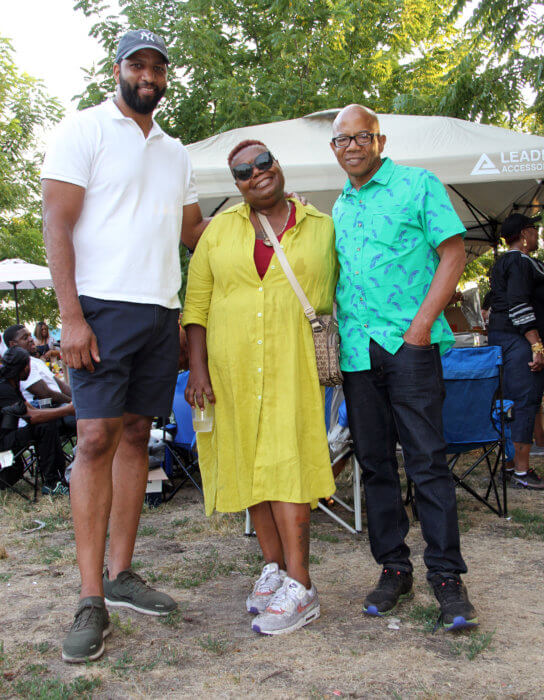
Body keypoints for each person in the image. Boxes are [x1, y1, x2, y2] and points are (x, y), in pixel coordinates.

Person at [41, 28, 208, 663]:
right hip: (99, 309)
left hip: (161, 309)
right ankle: (89, 598)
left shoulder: (176, 151)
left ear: (165, 78)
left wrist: (261, 224)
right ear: (118, 70)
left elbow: (194, 230)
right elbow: (57, 220)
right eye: (138, 65)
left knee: (138, 434)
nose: (149, 76)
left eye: (158, 68)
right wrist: (71, 316)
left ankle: (122, 573)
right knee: (93, 437)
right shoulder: (83, 129)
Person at [330, 104, 477, 631]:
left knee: (427, 463)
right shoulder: (340, 207)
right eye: (341, 140)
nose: (351, 146)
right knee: (373, 465)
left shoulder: (418, 184)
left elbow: (454, 254)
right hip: (356, 352)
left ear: (379, 140)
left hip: (409, 346)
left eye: (360, 137)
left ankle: (446, 579)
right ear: (335, 149)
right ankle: (394, 567)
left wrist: (420, 328)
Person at [183, 139, 337, 636]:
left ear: (278, 165)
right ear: (237, 185)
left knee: (285, 464)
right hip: (230, 369)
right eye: (243, 171)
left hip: (291, 366)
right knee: (250, 466)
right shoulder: (218, 232)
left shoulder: (321, 227)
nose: (256, 174)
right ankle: (273, 568)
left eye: (263, 162)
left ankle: (302, 585)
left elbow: (343, 294)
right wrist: (199, 370)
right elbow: (197, 306)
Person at [487, 213, 544, 489]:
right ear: (524, 234)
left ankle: (510, 465)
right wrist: (536, 344)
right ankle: (522, 470)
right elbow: (520, 304)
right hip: (519, 341)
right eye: (534, 230)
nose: (537, 234)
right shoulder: (521, 263)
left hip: (502, 338)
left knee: (507, 402)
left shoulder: (502, 264)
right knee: (524, 402)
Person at [0, 346, 74, 495]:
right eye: (28, 365)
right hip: (3, 441)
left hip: (8, 434)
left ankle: (57, 477)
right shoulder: (4, 388)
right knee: (44, 425)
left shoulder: (11, 383)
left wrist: (63, 410)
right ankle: (52, 482)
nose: (30, 368)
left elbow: (30, 410)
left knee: (47, 421)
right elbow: (32, 417)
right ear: (23, 367)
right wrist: (67, 410)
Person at [4, 325, 72, 406]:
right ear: (13, 344)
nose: (31, 339)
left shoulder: (36, 361)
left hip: (62, 405)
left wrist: (78, 398)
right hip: (49, 410)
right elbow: (46, 394)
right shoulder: (22, 364)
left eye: (30, 336)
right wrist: (73, 403)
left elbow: (62, 386)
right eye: (25, 338)